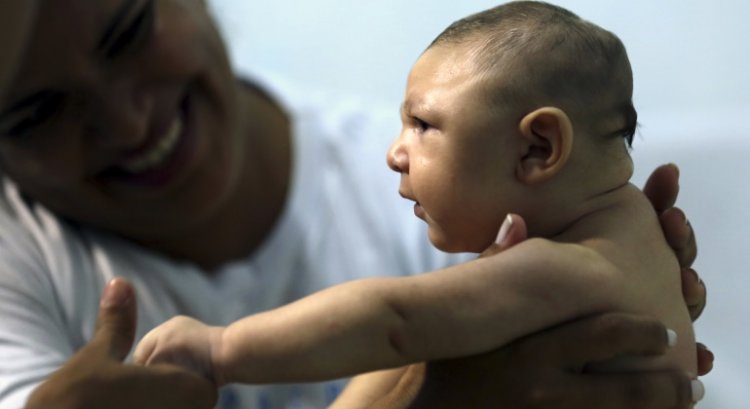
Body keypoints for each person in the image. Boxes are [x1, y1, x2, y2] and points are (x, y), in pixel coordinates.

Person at [0, 1, 709, 408]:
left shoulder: (538, 251)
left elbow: (398, 322)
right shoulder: (621, 233)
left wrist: (222, 348)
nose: (396, 153)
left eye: (422, 125)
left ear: (537, 150)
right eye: (36, 112)